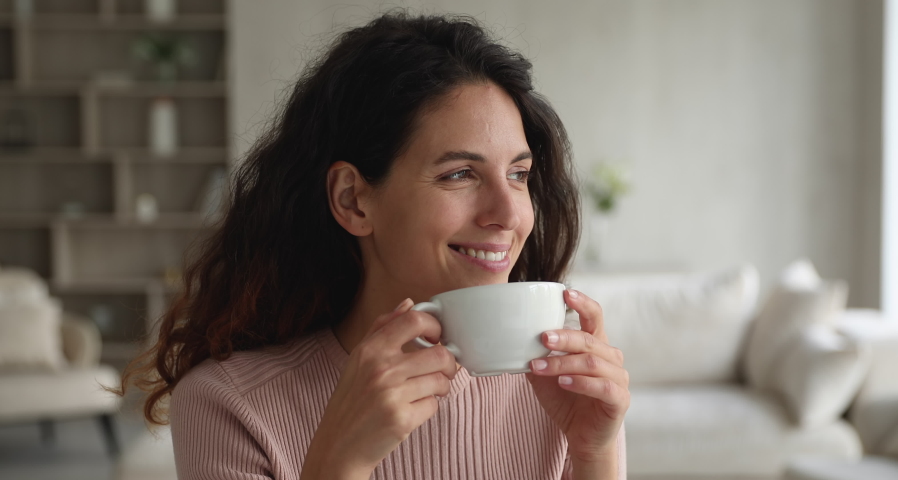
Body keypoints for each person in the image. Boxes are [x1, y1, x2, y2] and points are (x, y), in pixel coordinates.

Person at [117, 11, 629, 480]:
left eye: (518, 174)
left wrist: (595, 452)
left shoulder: (559, 391)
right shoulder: (228, 403)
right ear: (354, 200)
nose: (510, 214)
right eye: (459, 174)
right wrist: (341, 460)